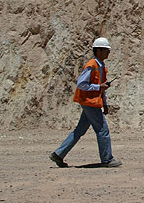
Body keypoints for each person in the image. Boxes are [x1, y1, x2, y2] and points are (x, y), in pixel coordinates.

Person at [49, 37, 122, 168]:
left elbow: (102, 86)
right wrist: (99, 87)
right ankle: (107, 159)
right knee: (102, 130)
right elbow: (81, 84)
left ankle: (58, 154)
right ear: (98, 51)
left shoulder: (101, 67)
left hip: (93, 102)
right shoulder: (91, 65)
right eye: (106, 50)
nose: (108, 53)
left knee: (79, 130)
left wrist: (104, 103)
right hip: (89, 102)